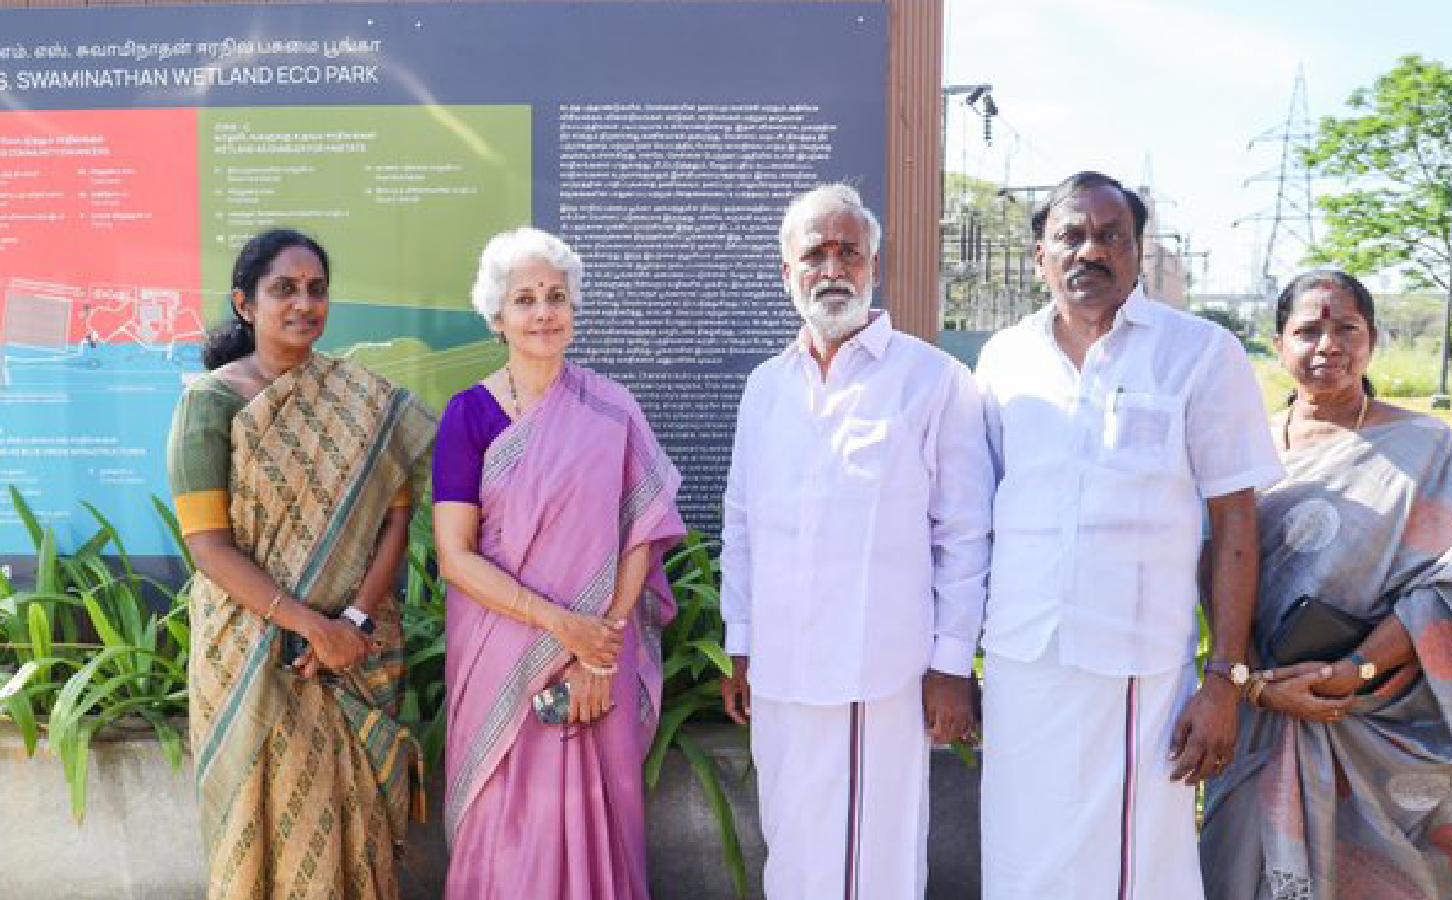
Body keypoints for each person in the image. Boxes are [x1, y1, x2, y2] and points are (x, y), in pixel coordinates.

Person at [975, 171, 1284, 899]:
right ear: (1040, 257)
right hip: (1023, 663)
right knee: (1021, 858)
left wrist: (1224, 679)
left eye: (1111, 236)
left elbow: (1235, 524)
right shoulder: (1004, 359)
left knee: (1134, 872)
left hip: (1139, 675)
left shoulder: (1199, 353)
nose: (1091, 251)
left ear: (1138, 251)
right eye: (1071, 236)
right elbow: (978, 512)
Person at [719, 184, 993, 899]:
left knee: (875, 864)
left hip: (881, 678)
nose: (833, 268)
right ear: (788, 272)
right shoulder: (765, 388)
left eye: (850, 251)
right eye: (816, 253)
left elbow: (964, 536)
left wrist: (952, 665)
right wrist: (740, 644)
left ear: (874, 264)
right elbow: (741, 522)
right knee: (791, 850)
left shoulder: (932, 380)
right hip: (781, 674)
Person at [1199, 269, 1452, 899]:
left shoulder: (1427, 448)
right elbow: (1212, 564)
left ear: (1373, 341)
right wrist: (1257, 686)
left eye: (1347, 329)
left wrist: (1354, 669)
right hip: (1259, 707)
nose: (1328, 345)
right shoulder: (1243, 451)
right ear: (1278, 344)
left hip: (1375, 716)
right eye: (1308, 330)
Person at [167, 228, 435, 900]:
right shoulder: (210, 403)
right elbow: (208, 545)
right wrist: (315, 628)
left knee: (356, 824)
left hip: (355, 649)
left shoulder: (366, 402)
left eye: (316, 289)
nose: (304, 303)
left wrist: (352, 624)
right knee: (260, 824)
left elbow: (396, 521)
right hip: (251, 651)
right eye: (283, 289)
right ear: (246, 303)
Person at [434, 227, 685, 900]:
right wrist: (561, 626)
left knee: (593, 821)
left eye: (556, 296)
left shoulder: (611, 409)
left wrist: (598, 653)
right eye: (524, 299)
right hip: (500, 651)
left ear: (574, 308)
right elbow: (455, 556)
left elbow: (641, 533)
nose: (543, 312)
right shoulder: (468, 416)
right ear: (497, 316)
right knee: (502, 827)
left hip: (599, 656)